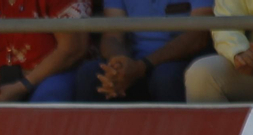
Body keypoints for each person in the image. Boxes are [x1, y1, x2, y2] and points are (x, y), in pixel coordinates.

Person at [73, 0, 212, 102]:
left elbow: (197, 36)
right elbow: (112, 36)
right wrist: (120, 64)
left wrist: (142, 66)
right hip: (134, 62)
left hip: (179, 60)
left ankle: (175, 133)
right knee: (90, 75)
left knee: (165, 78)